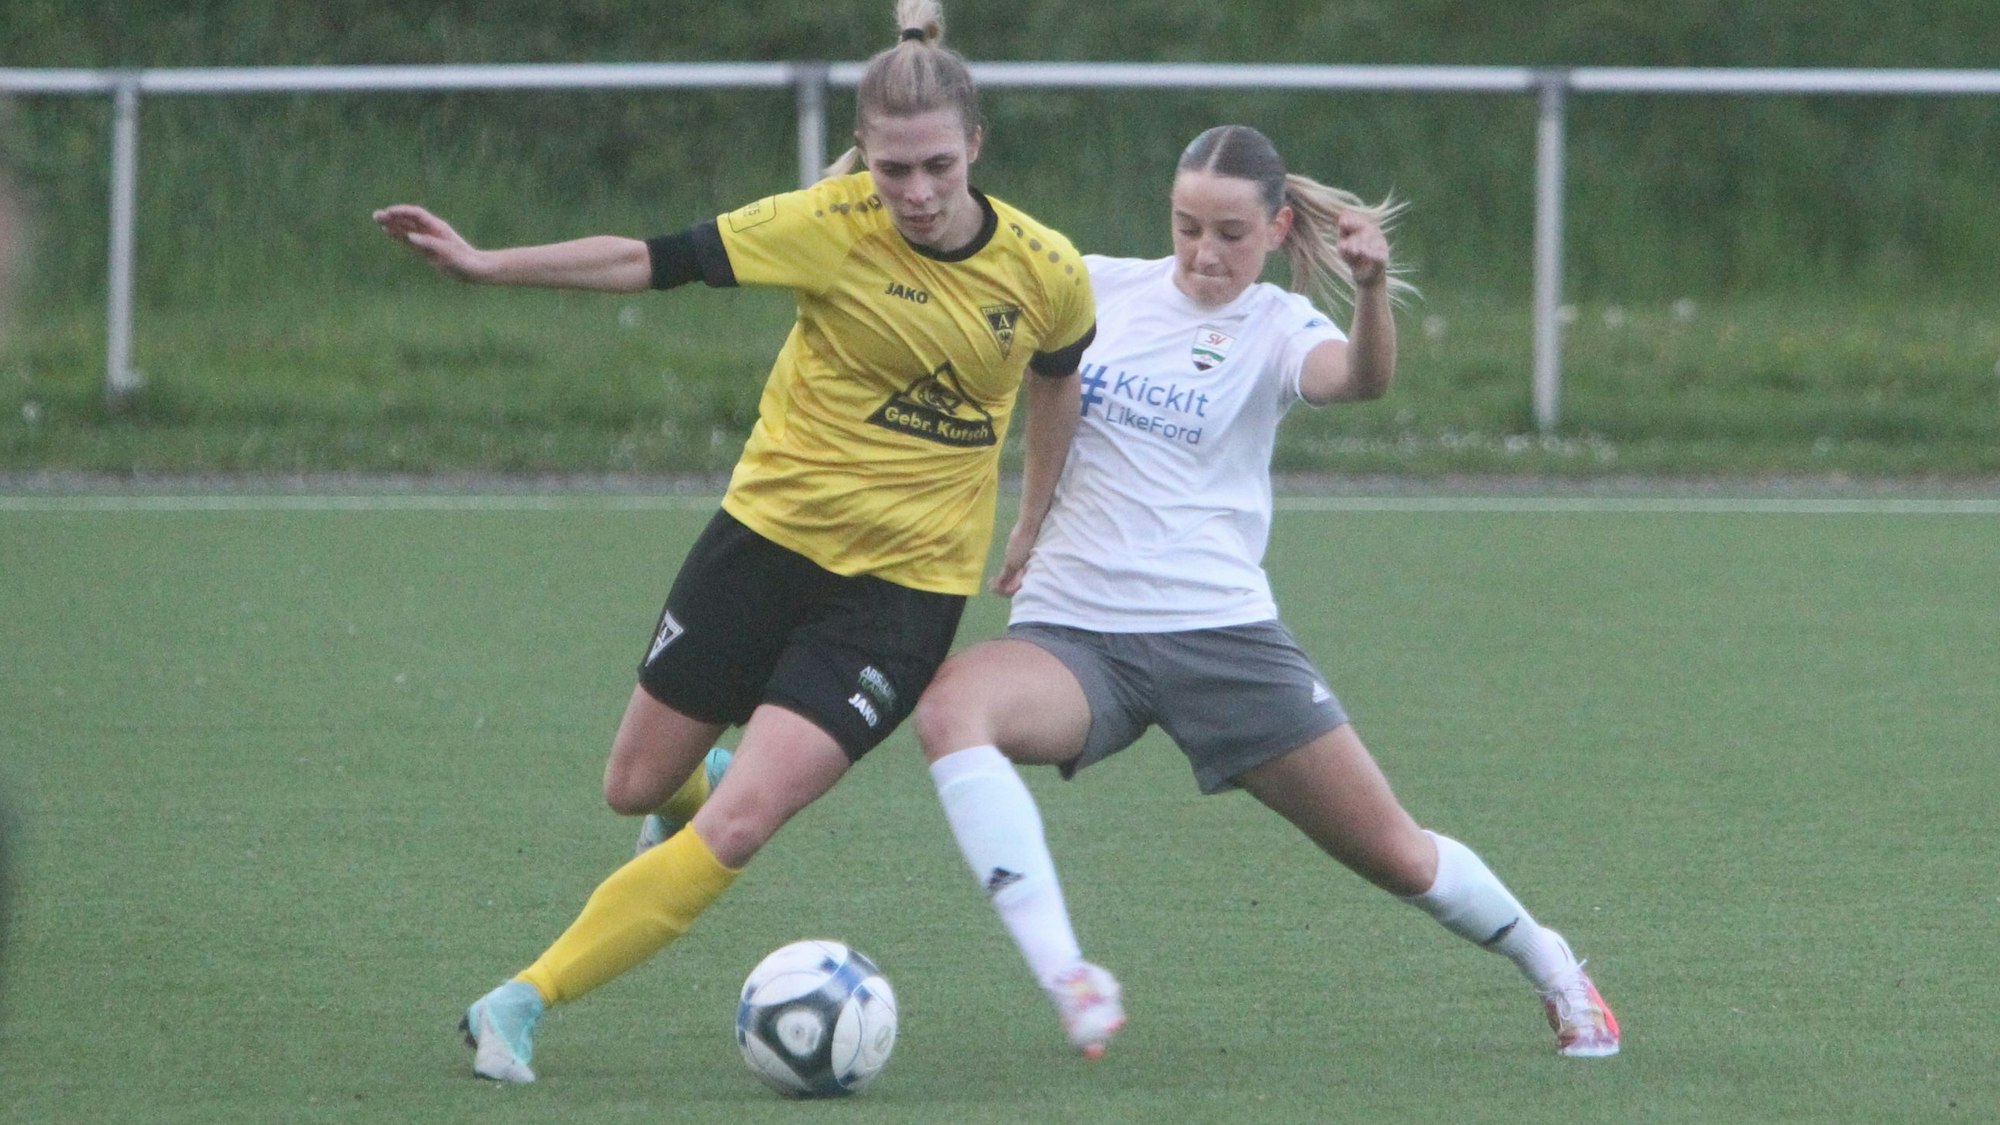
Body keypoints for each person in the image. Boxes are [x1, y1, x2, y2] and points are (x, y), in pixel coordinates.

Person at [375, 0, 1095, 1084]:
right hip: (763, 541)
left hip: (900, 596)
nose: (913, 191)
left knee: (745, 823)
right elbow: (644, 260)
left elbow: (1057, 383)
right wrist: (488, 264)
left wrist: (1033, 517)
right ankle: (699, 779)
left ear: (975, 148)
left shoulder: (1045, 268)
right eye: (892, 168)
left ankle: (519, 1000)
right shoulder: (825, 222)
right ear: (864, 154)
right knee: (634, 788)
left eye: (936, 166)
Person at [912, 124, 1620, 1060]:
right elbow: (950, 246)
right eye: (1187, 226)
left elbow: (1360, 380)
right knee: (952, 708)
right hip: (1076, 639)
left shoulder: (1280, 325)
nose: (1206, 252)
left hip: (1222, 641)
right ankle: (1069, 971)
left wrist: (1372, 290)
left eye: (1232, 234)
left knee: (1399, 855)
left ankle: (1554, 963)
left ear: (1280, 229)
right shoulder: (1093, 286)